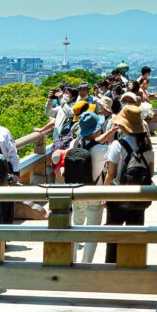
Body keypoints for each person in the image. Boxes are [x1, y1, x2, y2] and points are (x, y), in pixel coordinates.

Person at [103, 104, 154, 262]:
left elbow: (111, 174)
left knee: (113, 237)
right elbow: (150, 174)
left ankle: (111, 268)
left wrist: (104, 195)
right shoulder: (148, 147)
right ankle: (134, 265)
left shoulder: (117, 145)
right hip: (139, 198)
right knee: (135, 235)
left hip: (117, 198)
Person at [62, 111, 109, 263]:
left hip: (76, 193)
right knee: (92, 233)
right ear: (96, 130)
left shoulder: (75, 144)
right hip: (94, 195)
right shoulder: (103, 150)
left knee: (76, 229)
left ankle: (73, 260)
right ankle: (86, 264)